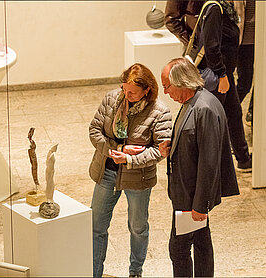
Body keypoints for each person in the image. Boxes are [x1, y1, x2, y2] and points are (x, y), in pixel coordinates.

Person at [89, 63, 172, 278]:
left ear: (147, 90)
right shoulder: (111, 99)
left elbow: (160, 151)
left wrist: (129, 159)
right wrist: (117, 149)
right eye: (124, 89)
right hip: (106, 171)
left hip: (138, 178)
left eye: (133, 92)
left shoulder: (159, 112)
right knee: (96, 227)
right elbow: (94, 131)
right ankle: (94, 273)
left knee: (138, 227)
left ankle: (135, 272)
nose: (127, 95)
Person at [159, 57, 239, 277]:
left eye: (167, 86)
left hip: (191, 196)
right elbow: (193, 140)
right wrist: (173, 143)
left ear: (182, 82)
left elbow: (209, 162)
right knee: (201, 243)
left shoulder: (204, 108)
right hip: (188, 193)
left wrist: (200, 205)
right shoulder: (192, 102)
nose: (165, 92)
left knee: (179, 249)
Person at [165, 0, 252, 172]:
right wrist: (221, 74)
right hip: (215, 74)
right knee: (207, 121)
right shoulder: (214, 8)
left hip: (221, 72)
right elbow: (211, 46)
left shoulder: (223, 9)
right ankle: (200, 164)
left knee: (233, 113)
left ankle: (242, 159)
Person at [234, 0, 255, 126]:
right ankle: (227, 113)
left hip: (258, 40)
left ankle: (252, 111)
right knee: (244, 83)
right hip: (243, 42)